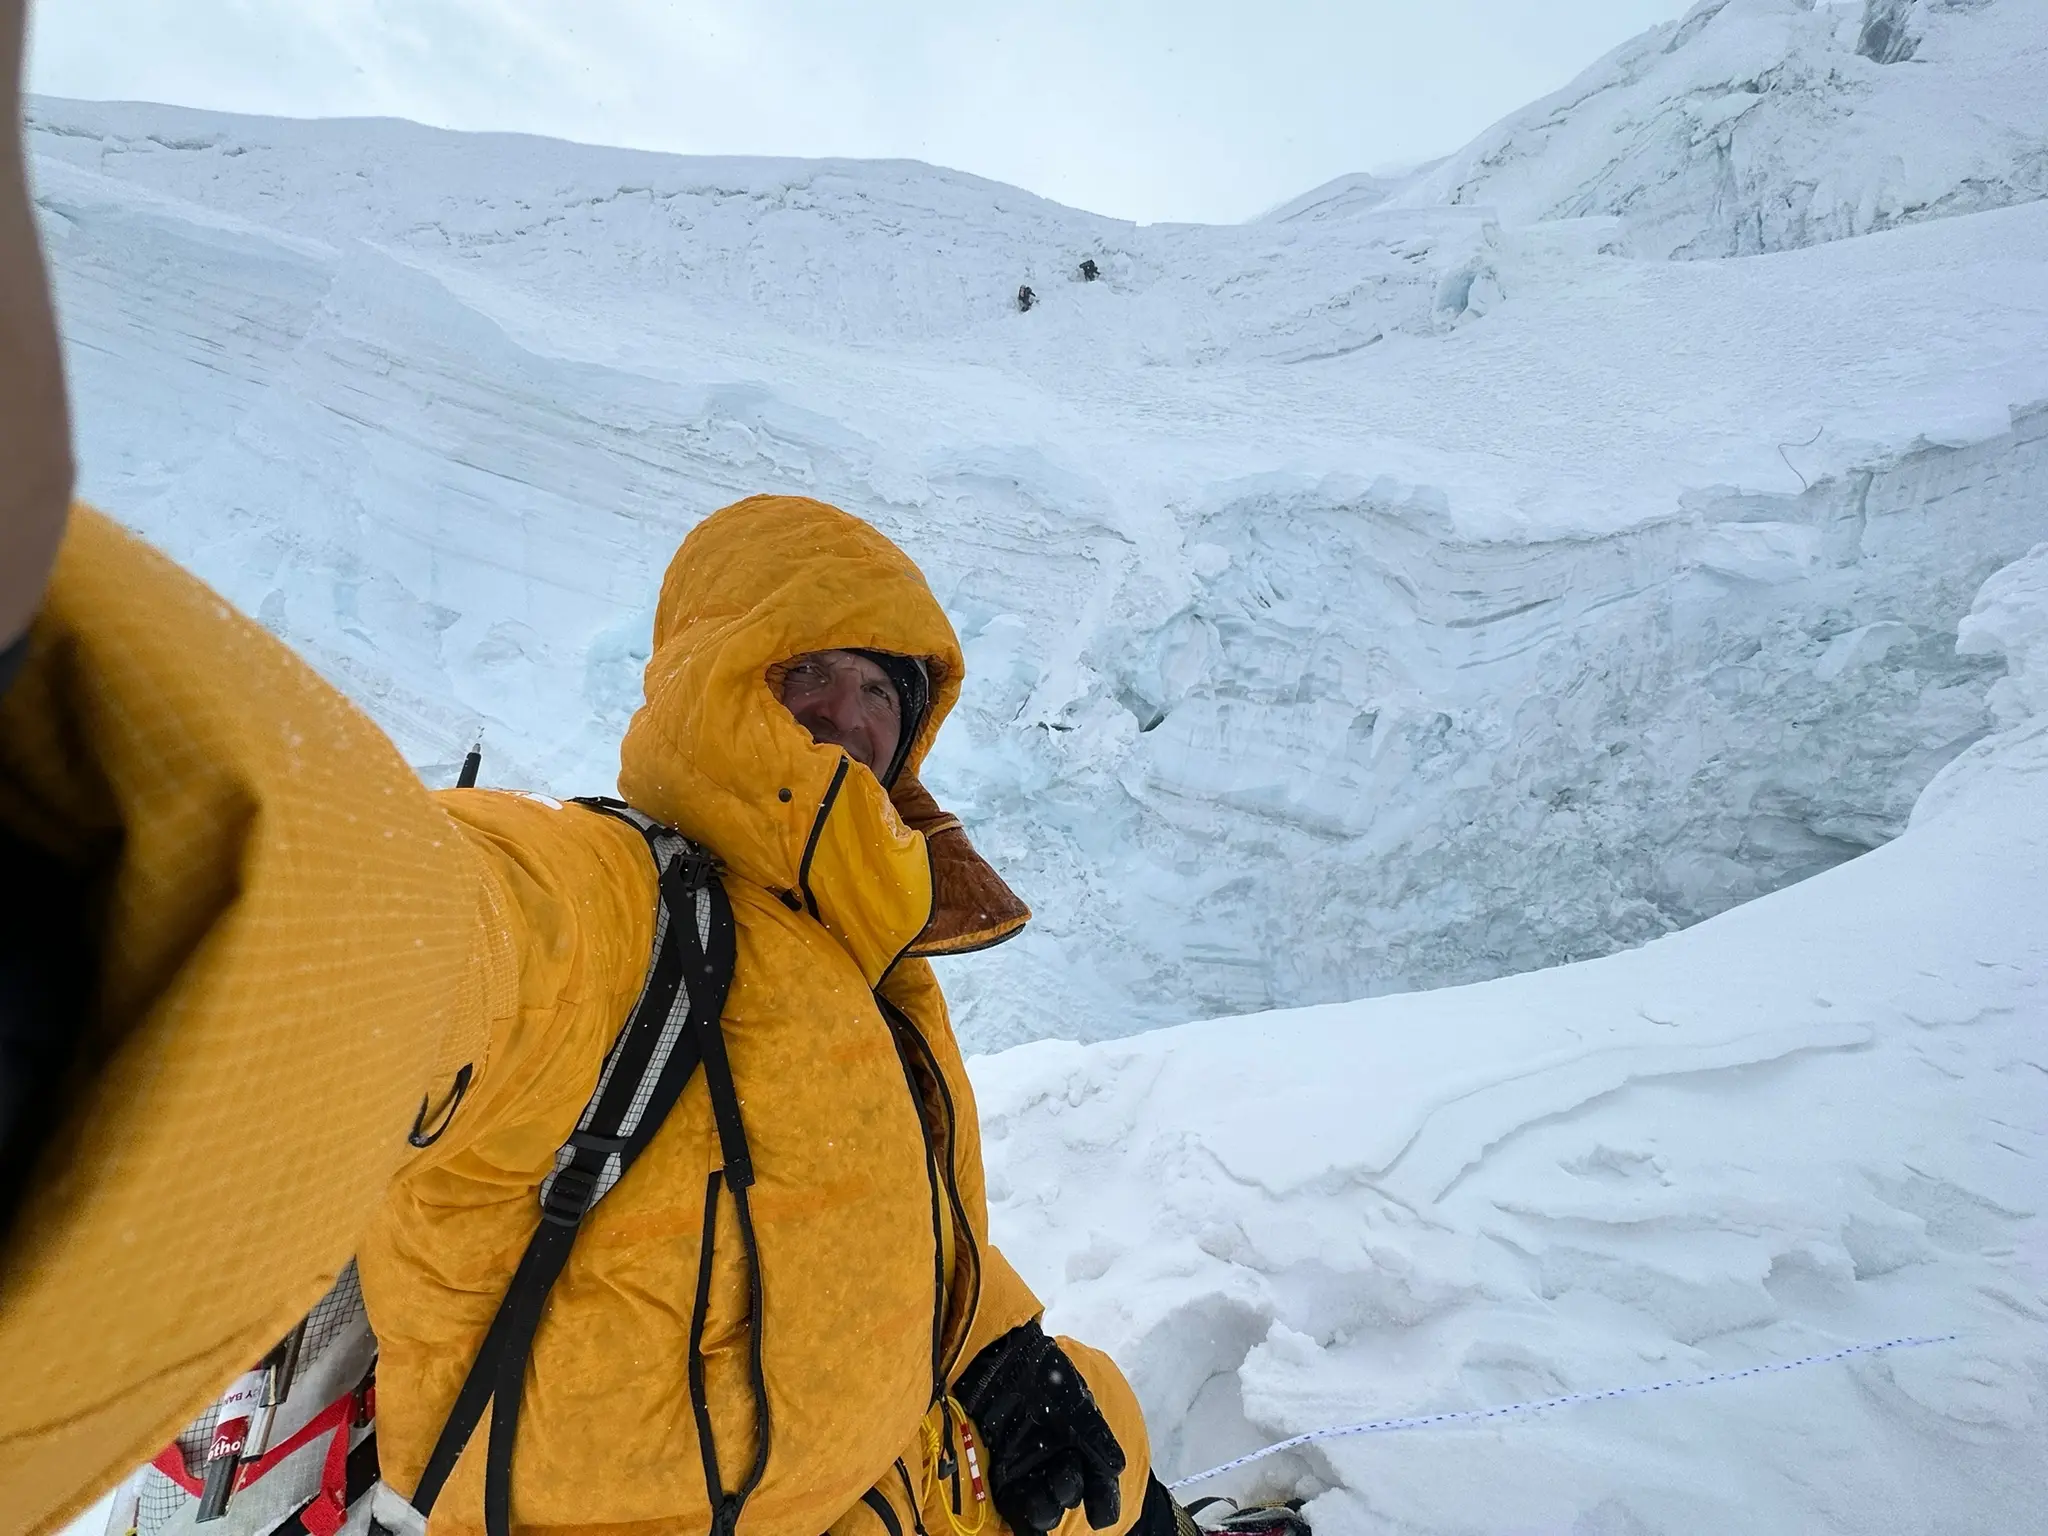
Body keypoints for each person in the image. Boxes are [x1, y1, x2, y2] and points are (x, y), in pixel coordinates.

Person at [0, 13, 1206, 1534]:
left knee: (1114, 1424)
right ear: (711, 684)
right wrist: (108, 855)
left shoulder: (880, 969)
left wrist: (1002, 1345)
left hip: (894, 1492)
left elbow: (889, 1223)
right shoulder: (617, 909)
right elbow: (401, 927)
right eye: (805, 676)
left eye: (883, 695)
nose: (847, 723)